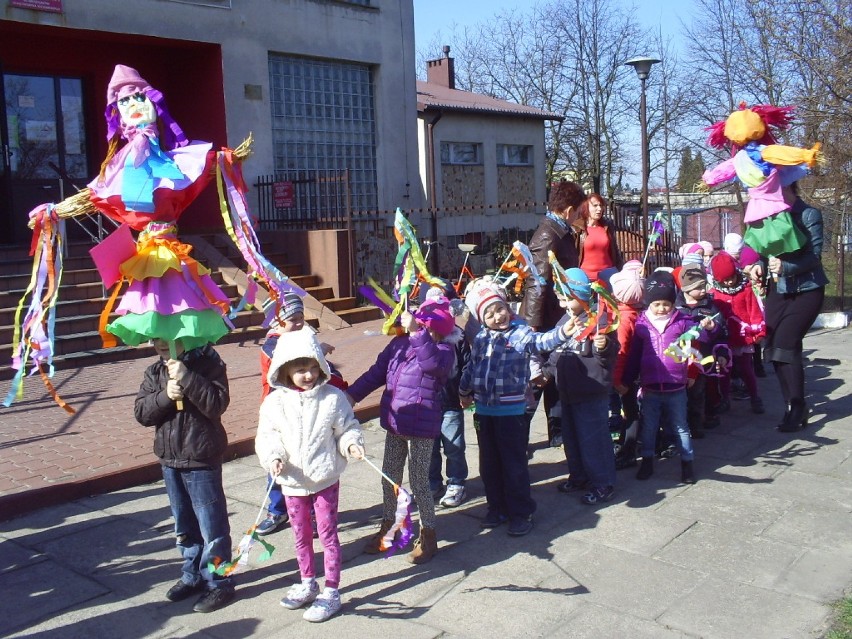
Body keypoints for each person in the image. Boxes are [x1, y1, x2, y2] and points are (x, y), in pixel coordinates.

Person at [255, 328, 365, 623]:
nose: (308, 375)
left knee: (328, 534)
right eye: (300, 369)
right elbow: (268, 436)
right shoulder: (274, 403)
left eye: (313, 367)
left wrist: (351, 443)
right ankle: (307, 581)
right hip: (292, 481)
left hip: (324, 478)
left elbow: (347, 427)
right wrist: (274, 457)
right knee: (300, 536)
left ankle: (331, 591)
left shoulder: (333, 398)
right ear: (285, 371)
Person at [347, 297, 459, 564]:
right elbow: (376, 373)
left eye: (427, 328)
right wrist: (351, 397)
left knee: (420, 482)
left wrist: (418, 334)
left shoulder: (444, 350)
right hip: (396, 422)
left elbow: (432, 365)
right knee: (389, 478)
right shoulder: (398, 345)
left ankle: (428, 535)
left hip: (422, 426)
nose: (422, 331)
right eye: (421, 326)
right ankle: (390, 527)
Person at [459, 280, 572, 536]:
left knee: (514, 464)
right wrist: (464, 391)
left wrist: (565, 332)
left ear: (508, 309)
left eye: (500, 309)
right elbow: (472, 369)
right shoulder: (480, 340)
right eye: (489, 313)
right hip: (484, 412)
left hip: (511, 413)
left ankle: (521, 511)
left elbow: (542, 342)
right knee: (489, 465)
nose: (497, 316)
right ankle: (496, 507)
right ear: (481, 318)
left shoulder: (519, 334)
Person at [134, 338, 235, 613]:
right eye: (156, 337)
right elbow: (142, 413)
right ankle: (191, 576)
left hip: (201, 458)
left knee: (212, 528)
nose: (160, 343)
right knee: (184, 527)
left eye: (168, 336)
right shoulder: (154, 372)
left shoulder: (209, 364)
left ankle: (220, 582)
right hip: (169, 460)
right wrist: (166, 395)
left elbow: (216, 404)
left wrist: (187, 377)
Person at [256, 292, 345, 536]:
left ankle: (315, 512)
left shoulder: (299, 337)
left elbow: (319, 372)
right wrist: (318, 350)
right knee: (278, 461)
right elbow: (291, 362)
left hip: (308, 409)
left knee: (311, 458)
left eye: (301, 318)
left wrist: (337, 381)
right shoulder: (273, 345)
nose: (299, 324)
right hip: (282, 413)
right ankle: (277, 509)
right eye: (292, 320)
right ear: (276, 323)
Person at [622, 271, 710, 485]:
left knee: (681, 426)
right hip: (651, 388)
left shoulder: (682, 322)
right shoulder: (642, 325)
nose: (662, 308)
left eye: (667, 304)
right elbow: (633, 355)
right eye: (657, 304)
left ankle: (687, 463)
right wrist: (627, 379)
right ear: (649, 303)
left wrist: (708, 327)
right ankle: (648, 461)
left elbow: (701, 336)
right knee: (649, 427)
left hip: (676, 387)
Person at [753, 185, 828, 431]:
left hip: (807, 290)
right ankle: (789, 405)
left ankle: (798, 406)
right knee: (772, 346)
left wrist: (785, 267)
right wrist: (758, 265)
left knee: (787, 344)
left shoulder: (808, 214)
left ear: (786, 188)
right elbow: (763, 248)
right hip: (778, 291)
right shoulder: (769, 215)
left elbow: (814, 256)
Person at [523, 180, 585, 448]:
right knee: (538, 378)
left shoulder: (561, 230)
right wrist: (533, 324)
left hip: (557, 313)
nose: (581, 215)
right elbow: (537, 281)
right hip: (546, 317)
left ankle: (556, 430)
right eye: (579, 211)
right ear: (568, 209)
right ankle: (519, 434)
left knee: (555, 373)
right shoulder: (548, 235)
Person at [552, 269, 619, 505]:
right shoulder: (565, 320)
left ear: (581, 296)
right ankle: (579, 476)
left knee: (594, 441)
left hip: (591, 393)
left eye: (567, 298)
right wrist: (547, 369)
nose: (563, 304)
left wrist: (604, 347)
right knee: (572, 439)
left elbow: (609, 356)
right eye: (560, 299)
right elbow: (556, 348)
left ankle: (603, 483)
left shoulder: (600, 319)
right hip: (567, 392)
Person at [424, 286, 472, 509]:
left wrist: (465, 391)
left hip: (451, 402)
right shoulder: (420, 341)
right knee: (429, 449)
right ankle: (433, 483)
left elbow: (466, 367)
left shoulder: (457, 339)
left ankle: (456, 482)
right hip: (425, 406)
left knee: (453, 446)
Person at [710, 252, 766, 415]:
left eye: (731, 278)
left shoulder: (746, 290)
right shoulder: (715, 294)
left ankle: (755, 397)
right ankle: (725, 398)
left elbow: (754, 310)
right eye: (724, 280)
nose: (728, 283)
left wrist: (758, 331)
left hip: (743, 337)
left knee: (746, 369)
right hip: (724, 338)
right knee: (724, 370)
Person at [675, 266, 727, 436]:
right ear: (686, 289)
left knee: (698, 393)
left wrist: (714, 331)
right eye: (698, 287)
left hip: (701, 359)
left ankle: (696, 424)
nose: (704, 290)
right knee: (680, 396)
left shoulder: (710, 307)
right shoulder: (675, 307)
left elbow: (722, 334)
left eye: (704, 285)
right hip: (679, 359)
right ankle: (681, 426)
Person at [610, 260, 646, 468]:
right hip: (638, 372)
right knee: (633, 410)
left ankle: (628, 450)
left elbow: (622, 351)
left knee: (630, 412)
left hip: (627, 376)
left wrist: (617, 380)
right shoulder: (639, 312)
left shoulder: (623, 318)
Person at [572, 193, 623, 282]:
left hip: (608, 278)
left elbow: (615, 253)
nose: (599, 209)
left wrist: (621, 271)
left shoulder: (607, 226)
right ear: (585, 207)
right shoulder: (576, 228)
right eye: (595, 206)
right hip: (584, 279)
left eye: (601, 205)